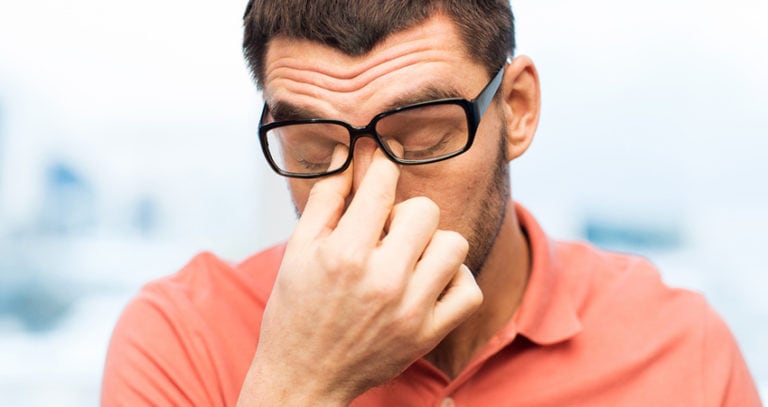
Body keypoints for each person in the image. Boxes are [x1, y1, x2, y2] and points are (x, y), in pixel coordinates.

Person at [101, 1, 761, 405]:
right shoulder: (181, 339)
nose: (370, 194)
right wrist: (299, 382)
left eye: (421, 137)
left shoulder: (680, 348)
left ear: (517, 109)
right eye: (315, 147)